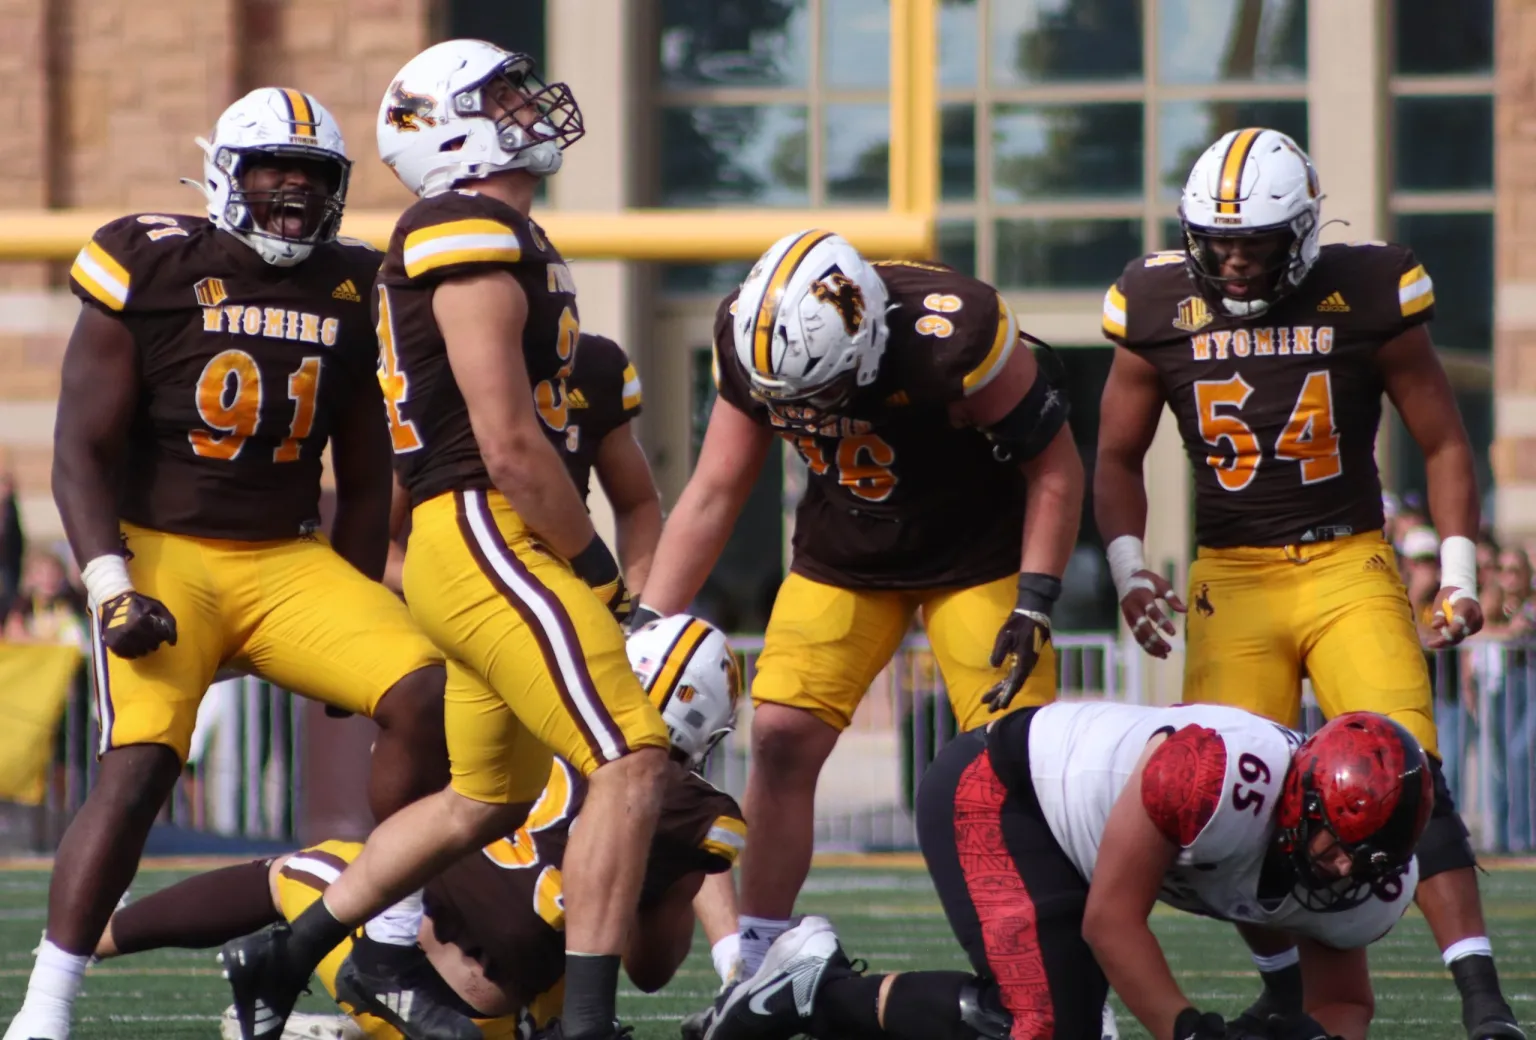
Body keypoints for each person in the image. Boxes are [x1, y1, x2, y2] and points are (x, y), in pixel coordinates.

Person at [219, 41, 673, 1040]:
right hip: (488, 531)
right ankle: (586, 1023)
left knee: (485, 796)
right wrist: (596, 570)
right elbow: (509, 442)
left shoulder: (497, 227)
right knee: (633, 759)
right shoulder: (461, 227)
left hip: (471, 543)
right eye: (501, 96)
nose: (526, 107)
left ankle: (281, 955)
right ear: (449, 131)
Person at [3, 87, 452, 1040]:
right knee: (138, 770)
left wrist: (361, 589)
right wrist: (111, 584)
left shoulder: (352, 286)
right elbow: (78, 449)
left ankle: (391, 939)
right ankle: (46, 1007)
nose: (293, 190)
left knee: (421, 691)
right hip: (162, 554)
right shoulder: (150, 259)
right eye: (271, 170)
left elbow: (366, 477)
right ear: (224, 174)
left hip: (285, 561)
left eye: (314, 175)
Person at [1094, 126, 1522, 1040]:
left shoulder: (1369, 287)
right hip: (1231, 577)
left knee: (1409, 771)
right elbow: (1117, 455)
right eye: (1219, 242)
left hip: (1347, 560)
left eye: (1256, 241)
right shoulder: (1154, 298)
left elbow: (1443, 439)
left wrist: (1453, 571)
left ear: (1304, 231)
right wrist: (1130, 568)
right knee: (1232, 799)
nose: (1237, 261)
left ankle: (1483, 998)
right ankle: (1290, 992)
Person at [635, 230, 1084, 988]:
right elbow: (714, 491)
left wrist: (1037, 598)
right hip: (846, 554)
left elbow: (1057, 470)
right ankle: (758, 956)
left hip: (978, 557)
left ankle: (1055, 975)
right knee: (777, 736)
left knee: (1013, 762)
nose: (808, 411)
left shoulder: (957, 335)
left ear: (870, 338)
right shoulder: (753, 338)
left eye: (823, 389)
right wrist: (647, 623)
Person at [92, 614, 742, 1040]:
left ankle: (96, 937)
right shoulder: (696, 812)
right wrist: (673, 881)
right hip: (500, 1011)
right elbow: (652, 967)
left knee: (309, 870)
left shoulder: (536, 708)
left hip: (427, 970)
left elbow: (405, 784)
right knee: (581, 943)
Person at [708, 707, 1430, 1040]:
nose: (1342, 870)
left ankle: (806, 991)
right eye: (1336, 843)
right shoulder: (1213, 776)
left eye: (1365, 858)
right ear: (1299, 801)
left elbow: (1343, 1004)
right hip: (1002, 787)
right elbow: (1112, 924)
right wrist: (1191, 1032)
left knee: (1052, 1023)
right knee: (1046, 1025)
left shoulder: (1370, 872)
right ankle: (811, 993)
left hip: (1089, 843)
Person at [383, 331, 660, 598]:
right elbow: (374, 541)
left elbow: (636, 502)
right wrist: (438, 588)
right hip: (465, 592)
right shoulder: (434, 375)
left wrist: (642, 601)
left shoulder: (594, 367)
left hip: (565, 584)